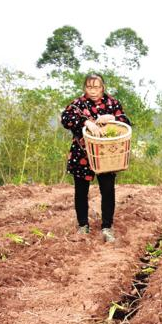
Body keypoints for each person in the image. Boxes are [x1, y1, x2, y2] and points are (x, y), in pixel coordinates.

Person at [61, 74, 131, 242]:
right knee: (81, 191)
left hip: (107, 155)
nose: (93, 91)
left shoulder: (112, 103)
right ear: (85, 88)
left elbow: (126, 121)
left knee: (107, 190)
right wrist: (86, 123)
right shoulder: (78, 104)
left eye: (96, 87)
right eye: (89, 87)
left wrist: (112, 118)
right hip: (82, 153)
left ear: (103, 88)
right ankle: (83, 225)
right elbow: (66, 119)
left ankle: (107, 227)